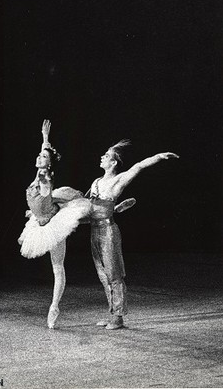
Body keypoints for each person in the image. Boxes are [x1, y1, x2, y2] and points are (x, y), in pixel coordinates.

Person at [87, 140, 179, 330]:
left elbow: (138, 166)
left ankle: (118, 317)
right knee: (102, 274)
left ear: (113, 163)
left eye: (106, 156)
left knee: (114, 274)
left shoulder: (118, 180)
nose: (102, 157)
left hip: (108, 232)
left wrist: (159, 157)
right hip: (94, 230)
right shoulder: (96, 182)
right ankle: (112, 312)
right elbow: (86, 207)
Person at [18, 120, 92, 329]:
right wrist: (45, 139)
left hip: (53, 223)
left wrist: (45, 191)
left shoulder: (45, 177)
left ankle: (54, 307)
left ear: (48, 165)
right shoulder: (39, 173)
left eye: (42, 157)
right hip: (40, 220)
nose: (38, 157)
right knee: (56, 266)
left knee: (58, 268)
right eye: (39, 155)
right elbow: (44, 160)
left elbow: (46, 181)